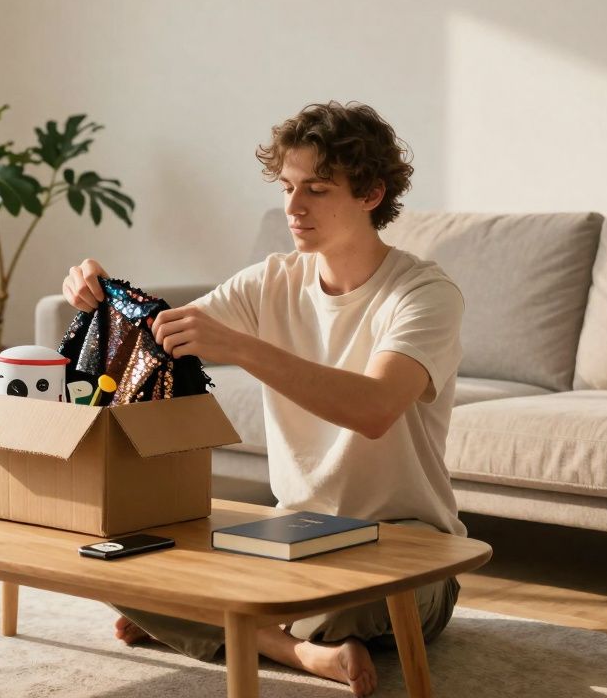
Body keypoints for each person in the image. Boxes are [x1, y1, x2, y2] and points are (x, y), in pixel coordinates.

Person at [61, 100, 465, 696]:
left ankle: (221, 625)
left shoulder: (424, 294)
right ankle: (298, 650)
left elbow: (375, 407)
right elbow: (159, 335)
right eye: (287, 187)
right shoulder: (272, 280)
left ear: (371, 194)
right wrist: (99, 288)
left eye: (317, 190)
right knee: (117, 564)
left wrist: (240, 347)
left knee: (347, 601)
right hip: (291, 534)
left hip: (407, 543)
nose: (294, 207)